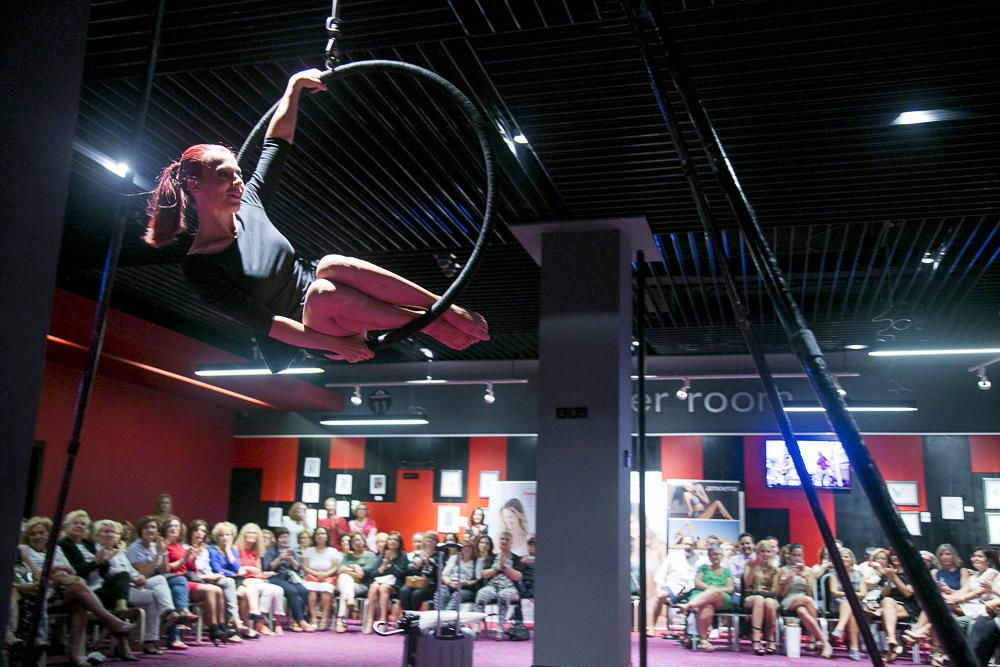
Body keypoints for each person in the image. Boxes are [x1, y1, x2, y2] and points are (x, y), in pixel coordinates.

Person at [143, 68, 489, 367]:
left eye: (237, 173)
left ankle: (443, 308)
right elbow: (269, 324)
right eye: (223, 175)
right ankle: (430, 323)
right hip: (315, 336)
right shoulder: (200, 267)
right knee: (322, 292)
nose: (237, 181)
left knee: (331, 265)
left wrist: (293, 90)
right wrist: (337, 345)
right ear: (194, 185)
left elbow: (276, 144)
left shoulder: (250, 203)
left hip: (345, 305)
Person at [19, 516, 136, 666]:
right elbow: (31, 575)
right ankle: (112, 622)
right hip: (38, 593)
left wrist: (61, 573)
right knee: (78, 589)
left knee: (79, 602)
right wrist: (56, 573)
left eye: (42, 533)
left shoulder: (56, 549)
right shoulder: (24, 550)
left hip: (61, 590)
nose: (38, 537)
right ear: (27, 536)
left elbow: (71, 570)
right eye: (33, 534)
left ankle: (76, 656)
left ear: (48, 534)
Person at [125, 515, 197, 649]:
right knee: (162, 581)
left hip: (154, 583)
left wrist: (163, 552)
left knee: (158, 595)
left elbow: (164, 569)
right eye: (146, 527)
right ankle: (170, 612)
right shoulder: (135, 548)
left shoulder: (155, 545)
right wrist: (158, 554)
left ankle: (150, 641)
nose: (150, 530)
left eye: (153, 527)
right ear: (140, 530)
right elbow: (144, 574)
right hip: (137, 583)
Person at [162, 516, 230, 647]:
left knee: (218, 590)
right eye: (171, 526)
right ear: (165, 529)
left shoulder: (180, 546)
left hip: (186, 578)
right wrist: (185, 558)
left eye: (176, 526)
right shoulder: (164, 545)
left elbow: (191, 569)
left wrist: (192, 558)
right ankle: (213, 628)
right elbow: (167, 568)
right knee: (210, 590)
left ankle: (221, 626)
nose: (174, 529)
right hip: (175, 580)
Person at [182, 519, 241, 643]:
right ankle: (216, 627)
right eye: (196, 530)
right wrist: (208, 576)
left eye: (203, 531)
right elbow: (186, 572)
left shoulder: (204, 550)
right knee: (224, 585)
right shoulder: (185, 548)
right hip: (194, 581)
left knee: (220, 588)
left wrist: (212, 575)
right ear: (190, 532)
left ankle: (221, 627)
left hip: (207, 578)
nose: (199, 533)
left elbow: (235, 568)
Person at [777, 543, 832, 658]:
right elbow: (781, 594)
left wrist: (806, 579)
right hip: (789, 600)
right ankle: (821, 640)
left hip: (805, 600)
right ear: (789, 556)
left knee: (802, 611)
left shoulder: (808, 571)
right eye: (794, 555)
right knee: (807, 600)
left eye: (799, 555)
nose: (797, 558)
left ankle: (818, 640)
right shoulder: (782, 570)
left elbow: (811, 593)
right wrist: (789, 578)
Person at [677, 544, 733, 651]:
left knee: (714, 593)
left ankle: (688, 606)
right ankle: (703, 640)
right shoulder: (703, 568)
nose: (714, 557)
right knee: (707, 606)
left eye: (717, 554)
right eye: (711, 555)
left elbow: (730, 588)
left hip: (721, 597)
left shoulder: (726, 571)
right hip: (701, 595)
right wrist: (709, 588)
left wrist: (715, 590)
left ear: (722, 556)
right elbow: (697, 582)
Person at [648, 535, 704, 637]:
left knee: (700, 598)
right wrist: (658, 587)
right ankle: (651, 627)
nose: (687, 546)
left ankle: (696, 633)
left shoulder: (701, 560)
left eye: (690, 545)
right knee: (660, 595)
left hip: (692, 588)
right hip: (673, 586)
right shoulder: (673, 556)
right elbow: (662, 573)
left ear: (695, 546)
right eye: (686, 544)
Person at [866, 552, 918, 663]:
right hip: (889, 605)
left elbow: (907, 593)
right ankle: (893, 639)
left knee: (885, 611)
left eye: (897, 554)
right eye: (893, 554)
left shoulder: (912, 573)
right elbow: (884, 594)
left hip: (908, 605)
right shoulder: (887, 573)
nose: (895, 556)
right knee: (887, 601)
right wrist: (889, 579)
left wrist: (894, 577)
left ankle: (892, 644)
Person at [263, 527, 315, 631]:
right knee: (292, 591)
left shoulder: (291, 550)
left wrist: (291, 559)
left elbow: (297, 568)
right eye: (281, 537)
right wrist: (279, 558)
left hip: (290, 577)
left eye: (286, 537)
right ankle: (301, 621)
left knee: (303, 591)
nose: (284, 539)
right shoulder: (271, 551)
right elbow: (268, 568)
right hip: (275, 577)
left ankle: (294, 620)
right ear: (276, 538)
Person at [475, 531, 522, 639]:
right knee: (482, 594)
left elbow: (517, 577)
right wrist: (496, 568)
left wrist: (505, 567)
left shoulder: (516, 559)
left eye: (507, 539)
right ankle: (476, 627)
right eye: (502, 539)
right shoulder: (492, 557)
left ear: (511, 543)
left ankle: (500, 628)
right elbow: (484, 574)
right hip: (492, 587)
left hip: (510, 588)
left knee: (503, 595)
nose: (504, 541)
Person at [828, 547, 867, 661]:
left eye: (846, 556)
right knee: (851, 605)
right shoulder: (833, 573)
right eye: (841, 556)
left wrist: (851, 595)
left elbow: (863, 594)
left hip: (855, 603)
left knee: (852, 607)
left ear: (851, 559)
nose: (844, 558)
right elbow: (834, 592)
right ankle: (854, 648)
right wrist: (848, 594)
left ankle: (839, 629)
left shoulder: (859, 574)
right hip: (838, 603)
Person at [365, 531, 407, 634]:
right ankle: (370, 620)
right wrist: (383, 566)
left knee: (383, 587)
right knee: (373, 587)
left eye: (395, 540)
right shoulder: (382, 555)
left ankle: (383, 620)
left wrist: (391, 565)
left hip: (395, 585)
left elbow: (402, 574)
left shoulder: (403, 556)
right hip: (380, 582)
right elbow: (373, 575)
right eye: (390, 539)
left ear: (399, 543)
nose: (392, 542)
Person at [743, 539, 780, 655]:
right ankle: (756, 638)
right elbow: (748, 583)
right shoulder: (749, 565)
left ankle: (770, 638)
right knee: (759, 599)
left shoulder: (775, 570)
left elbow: (775, 591)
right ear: (758, 552)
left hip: (768, 597)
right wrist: (754, 568)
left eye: (768, 551)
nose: (765, 554)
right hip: (751, 596)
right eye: (762, 551)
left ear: (772, 553)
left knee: (769, 602)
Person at [337, 532, 377, 632]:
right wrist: (355, 569)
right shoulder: (347, 556)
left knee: (344, 587)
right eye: (354, 540)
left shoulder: (370, 555)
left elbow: (367, 572)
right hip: (349, 584)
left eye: (359, 540)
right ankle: (349, 600)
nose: (357, 542)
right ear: (351, 543)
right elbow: (340, 570)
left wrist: (352, 568)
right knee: (344, 579)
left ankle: (341, 620)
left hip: (362, 585)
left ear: (364, 541)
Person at [301, 526, 339, 630]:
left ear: (327, 537)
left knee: (325, 591)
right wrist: (315, 574)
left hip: (328, 576)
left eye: (323, 534)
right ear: (314, 536)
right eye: (318, 534)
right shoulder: (309, 550)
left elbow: (335, 567)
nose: (320, 536)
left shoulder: (333, 551)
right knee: (311, 591)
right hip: (311, 576)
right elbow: (304, 566)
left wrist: (325, 574)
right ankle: (313, 618)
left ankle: (324, 618)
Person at [400, 530, 440, 612]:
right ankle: (406, 614)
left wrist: (429, 562)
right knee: (404, 591)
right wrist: (417, 566)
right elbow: (407, 571)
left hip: (430, 584)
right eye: (428, 539)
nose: (429, 541)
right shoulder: (418, 554)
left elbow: (437, 574)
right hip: (416, 582)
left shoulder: (439, 555)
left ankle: (414, 615)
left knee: (417, 594)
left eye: (432, 539)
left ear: (436, 542)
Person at [442, 539, 482, 611]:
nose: (466, 548)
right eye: (464, 546)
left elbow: (477, 579)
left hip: (467, 587)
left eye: (469, 547)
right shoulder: (454, 558)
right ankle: (440, 616)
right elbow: (444, 575)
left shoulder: (477, 561)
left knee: (457, 595)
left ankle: (446, 617)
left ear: (473, 549)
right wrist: (450, 583)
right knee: (441, 592)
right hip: (451, 584)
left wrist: (465, 583)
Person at [725, 532, 755, 605]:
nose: (745, 546)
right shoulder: (732, 560)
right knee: (734, 602)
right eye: (742, 544)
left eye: (748, 543)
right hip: (737, 593)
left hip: (755, 593)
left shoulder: (758, 559)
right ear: (739, 546)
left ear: (753, 545)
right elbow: (732, 579)